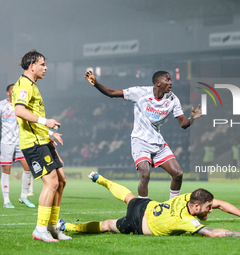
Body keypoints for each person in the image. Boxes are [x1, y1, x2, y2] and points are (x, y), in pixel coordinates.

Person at [84, 70, 201, 199]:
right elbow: (112, 93)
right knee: (145, 174)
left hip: (157, 142)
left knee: (178, 174)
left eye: (170, 79)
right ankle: (141, 209)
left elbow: (183, 124)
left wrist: (192, 118)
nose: (170, 83)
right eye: (167, 80)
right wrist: (96, 84)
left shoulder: (173, 99)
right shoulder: (140, 93)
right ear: (158, 83)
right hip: (140, 141)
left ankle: (172, 207)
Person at [59, 171, 240, 238]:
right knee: (108, 225)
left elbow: (220, 204)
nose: (211, 210)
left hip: (146, 205)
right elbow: (214, 233)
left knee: (128, 197)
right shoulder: (187, 221)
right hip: (138, 223)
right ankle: (66, 226)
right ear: (197, 207)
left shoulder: (189, 197)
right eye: (208, 208)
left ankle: (100, 179)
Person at [12, 50, 71, 242]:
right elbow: (19, 111)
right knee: (51, 182)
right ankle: (40, 229)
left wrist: (50, 133)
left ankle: (53, 227)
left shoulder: (32, 85)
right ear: (32, 66)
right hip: (33, 143)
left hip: (43, 139)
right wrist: (47, 122)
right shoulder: (24, 85)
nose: (46, 68)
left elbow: (32, 117)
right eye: (42, 64)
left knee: (61, 181)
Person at [0, 84, 35, 209]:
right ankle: (6, 200)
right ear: (7, 92)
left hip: (20, 142)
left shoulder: (20, 106)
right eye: (12, 90)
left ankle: (24, 196)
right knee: (6, 170)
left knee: (28, 167)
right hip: (6, 143)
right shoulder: (2, 105)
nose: (15, 91)